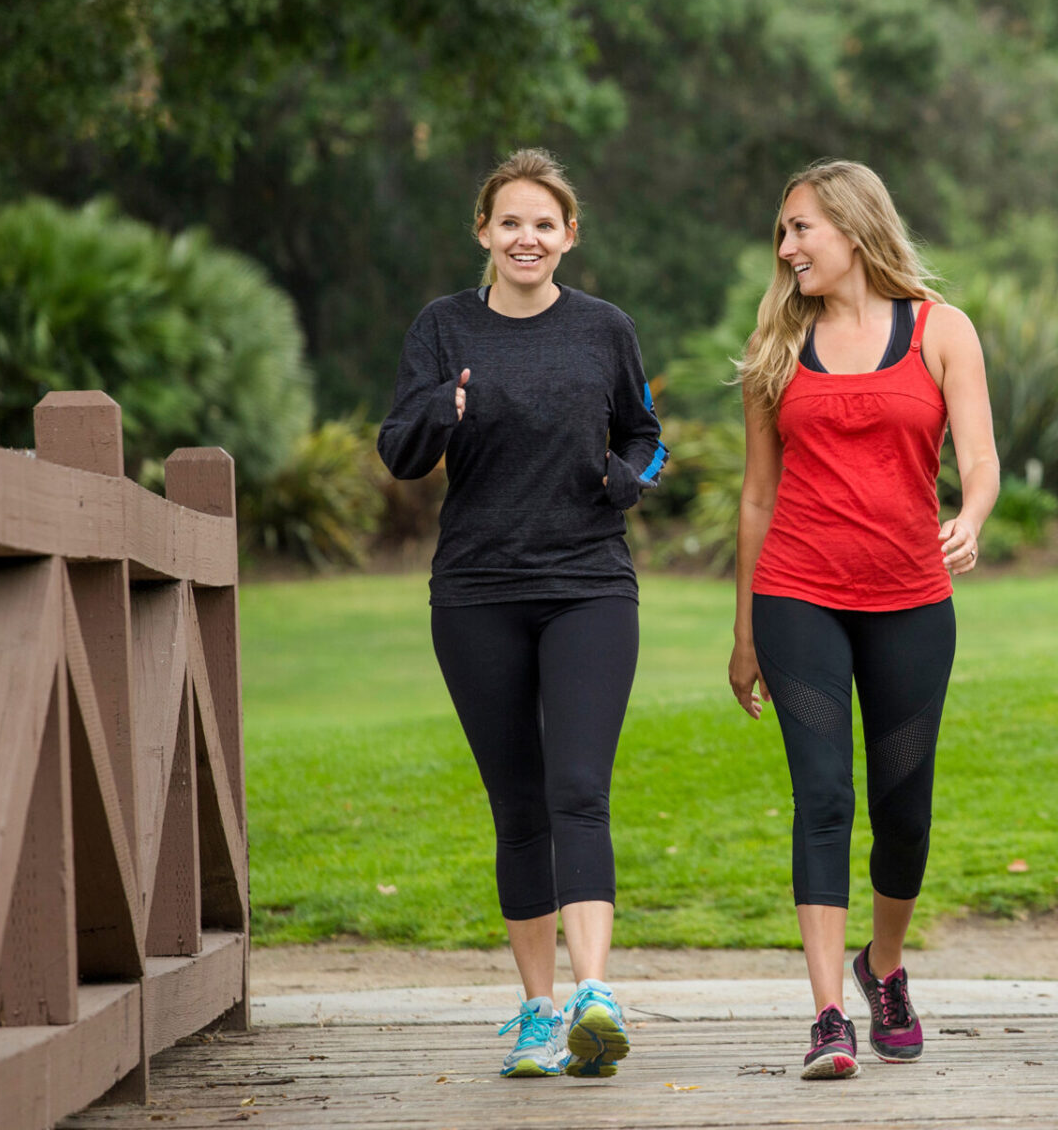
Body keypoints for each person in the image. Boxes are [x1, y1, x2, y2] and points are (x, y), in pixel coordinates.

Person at [377, 148, 667, 1079]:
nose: (527, 237)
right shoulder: (443, 327)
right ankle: (538, 1013)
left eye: (544, 222)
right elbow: (398, 450)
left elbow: (647, 435)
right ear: (484, 233)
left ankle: (594, 996)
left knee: (579, 787)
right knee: (519, 806)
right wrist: (443, 410)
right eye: (510, 222)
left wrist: (626, 479)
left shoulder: (605, 329)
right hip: (476, 592)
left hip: (588, 584)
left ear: (569, 235)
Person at [727, 160, 1000, 1080]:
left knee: (903, 808)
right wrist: (742, 635)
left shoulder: (939, 329)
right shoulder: (776, 337)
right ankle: (829, 1017)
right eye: (783, 231)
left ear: (852, 228)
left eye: (801, 228)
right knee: (824, 796)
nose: (788, 246)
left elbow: (983, 459)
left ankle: (882, 968)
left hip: (912, 600)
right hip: (798, 593)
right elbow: (757, 496)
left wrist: (969, 516)